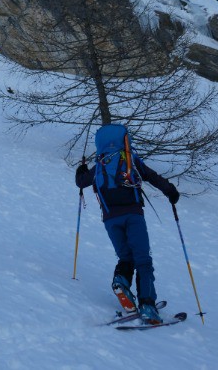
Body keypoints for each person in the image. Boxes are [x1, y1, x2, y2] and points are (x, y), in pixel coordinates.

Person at [74, 123, 180, 324]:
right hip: (133, 215)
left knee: (125, 256)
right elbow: (152, 177)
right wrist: (171, 192)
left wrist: (80, 169)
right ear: (125, 140)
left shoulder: (100, 165)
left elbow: (81, 182)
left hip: (110, 218)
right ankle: (148, 306)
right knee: (142, 260)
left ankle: (120, 281)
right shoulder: (130, 160)